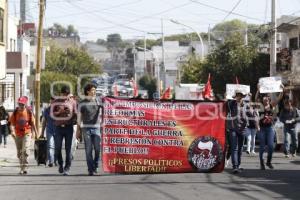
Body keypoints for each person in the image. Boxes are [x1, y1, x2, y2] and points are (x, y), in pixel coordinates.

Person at [255, 85, 283, 170]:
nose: (266, 99)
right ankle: (262, 163)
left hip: (270, 128)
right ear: (263, 100)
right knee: (262, 146)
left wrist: (282, 90)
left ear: (269, 100)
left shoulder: (272, 105)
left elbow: (279, 98)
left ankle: (268, 162)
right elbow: (256, 98)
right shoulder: (260, 106)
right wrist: (258, 90)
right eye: (264, 98)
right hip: (262, 129)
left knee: (271, 146)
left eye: (267, 98)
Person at [77, 83, 102, 176]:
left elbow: (106, 111)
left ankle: (95, 164)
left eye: (95, 90)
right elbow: (79, 118)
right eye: (92, 90)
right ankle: (90, 169)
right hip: (86, 128)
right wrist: (78, 131)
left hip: (96, 128)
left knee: (97, 149)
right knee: (88, 149)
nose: (94, 92)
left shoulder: (98, 101)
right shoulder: (82, 103)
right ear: (87, 91)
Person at [9, 96, 38, 174]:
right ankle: (22, 166)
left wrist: (36, 134)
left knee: (25, 151)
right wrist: (12, 131)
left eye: (22, 104)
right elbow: (11, 123)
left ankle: (24, 168)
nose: (21, 106)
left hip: (27, 133)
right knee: (19, 152)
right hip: (17, 134)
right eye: (19, 104)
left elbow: (33, 124)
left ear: (25, 104)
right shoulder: (15, 112)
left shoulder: (29, 112)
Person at [52, 86, 77, 175]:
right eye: (63, 94)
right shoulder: (55, 102)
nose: (65, 96)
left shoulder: (72, 102)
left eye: (66, 94)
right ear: (61, 93)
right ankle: (60, 164)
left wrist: (70, 115)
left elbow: (75, 113)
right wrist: (60, 112)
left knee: (68, 149)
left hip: (68, 127)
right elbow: (51, 114)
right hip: (58, 127)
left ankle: (67, 167)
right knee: (57, 148)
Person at [227, 89, 248, 174]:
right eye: (237, 95)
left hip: (242, 129)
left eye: (240, 95)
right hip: (233, 129)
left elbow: (249, 116)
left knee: (240, 148)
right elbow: (225, 103)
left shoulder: (246, 105)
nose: (239, 97)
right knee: (234, 148)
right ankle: (235, 166)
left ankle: (238, 165)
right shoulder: (231, 104)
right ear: (235, 96)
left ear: (242, 96)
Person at [41, 97, 57, 167]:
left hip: (58, 131)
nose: (52, 103)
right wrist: (42, 132)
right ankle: (51, 161)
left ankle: (55, 160)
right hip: (49, 130)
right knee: (50, 145)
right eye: (51, 102)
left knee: (57, 146)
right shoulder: (47, 110)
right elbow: (44, 121)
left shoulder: (59, 109)